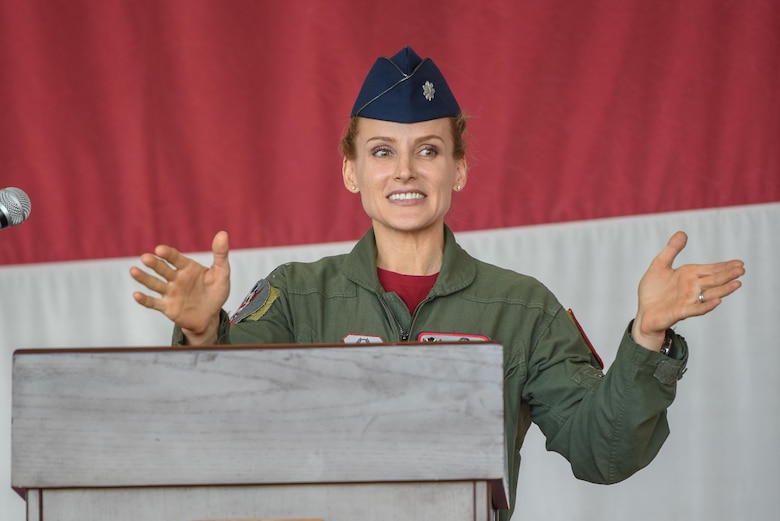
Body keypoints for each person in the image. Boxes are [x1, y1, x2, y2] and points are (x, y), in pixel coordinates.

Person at [129, 46, 745, 520]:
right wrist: (203, 333)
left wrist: (646, 337)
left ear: (459, 169)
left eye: (427, 150)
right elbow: (220, 432)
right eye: (380, 151)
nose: (403, 170)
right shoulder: (296, 296)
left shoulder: (523, 308)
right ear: (349, 170)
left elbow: (602, 453)